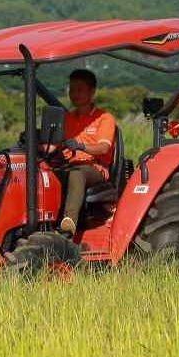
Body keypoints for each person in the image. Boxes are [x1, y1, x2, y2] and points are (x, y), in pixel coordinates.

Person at [55, 68, 116, 235]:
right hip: (67, 164)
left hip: (94, 168)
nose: (74, 94)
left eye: (79, 89)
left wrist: (80, 146)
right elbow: (55, 145)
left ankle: (68, 225)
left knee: (77, 172)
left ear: (92, 92)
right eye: (72, 89)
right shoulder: (66, 118)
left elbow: (104, 148)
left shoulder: (104, 118)